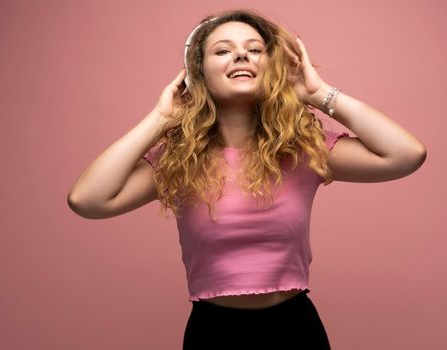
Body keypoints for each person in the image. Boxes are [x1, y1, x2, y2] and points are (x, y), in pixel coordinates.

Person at [67, 9, 426, 350]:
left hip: (295, 331)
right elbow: (87, 200)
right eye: (223, 50)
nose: (241, 56)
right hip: (212, 333)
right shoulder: (178, 159)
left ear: (270, 67)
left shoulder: (304, 149)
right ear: (198, 73)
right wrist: (161, 118)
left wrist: (320, 95)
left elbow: (405, 155)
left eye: (254, 50)